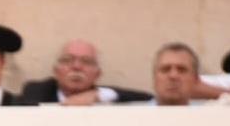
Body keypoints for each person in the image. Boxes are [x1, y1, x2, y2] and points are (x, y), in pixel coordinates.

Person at [21, 39, 149, 105]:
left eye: (86, 61)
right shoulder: (37, 91)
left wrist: (99, 95)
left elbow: (149, 100)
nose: (76, 66)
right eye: (68, 60)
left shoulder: (101, 97)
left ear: (97, 74)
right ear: (56, 71)